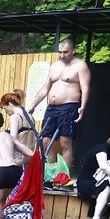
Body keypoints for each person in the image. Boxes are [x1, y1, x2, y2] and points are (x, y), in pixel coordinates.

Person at [26, 37, 89, 180]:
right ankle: (50, 172)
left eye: (65, 52)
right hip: (52, 108)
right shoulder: (54, 66)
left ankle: (64, 176)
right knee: (45, 141)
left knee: (65, 142)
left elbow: (85, 88)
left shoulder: (80, 66)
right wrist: (33, 105)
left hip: (69, 107)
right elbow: (45, 87)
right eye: (60, 52)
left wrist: (82, 107)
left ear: (73, 51)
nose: (62, 55)